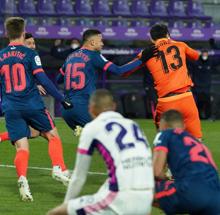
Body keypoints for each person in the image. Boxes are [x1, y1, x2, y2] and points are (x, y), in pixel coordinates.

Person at [47, 89, 154, 215]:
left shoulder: (92, 127)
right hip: (147, 197)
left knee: (57, 212)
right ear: (114, 107)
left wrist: (67, 206)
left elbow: (79, 177)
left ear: (91, 108)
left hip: (120, 196)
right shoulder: (133, 125)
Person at [0, 17, 73, 201]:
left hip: (10, 106)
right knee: (52, 136)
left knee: (21, 148)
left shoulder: (0, 55)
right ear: (23, 32)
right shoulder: (31, 54)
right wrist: (61, 98)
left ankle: (23, 180)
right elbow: (43, 79)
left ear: (7, 33)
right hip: (32, 104)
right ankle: (58, 167)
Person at [57, 29, 157, 136]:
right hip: (82, 107)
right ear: (92, 42)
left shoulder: (70, 56)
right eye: (100, 40)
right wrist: (142, 59)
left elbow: (59, 79)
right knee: (110, 136)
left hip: (66, 110)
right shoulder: (94, 55)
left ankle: (84, 131)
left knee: (94, 139)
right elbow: (119, 71)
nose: (102, 43)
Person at [124, 24, 202, 140]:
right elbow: (196, 56)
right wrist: (171, 42)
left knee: (164, 140)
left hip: (166, 101)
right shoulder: (180, 45)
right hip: (187, 98)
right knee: (196, 140)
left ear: (151, 39)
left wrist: (143, 57)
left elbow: (125, 72)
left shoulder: (147, 53)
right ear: (167, 34)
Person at [153, 109, 220, 215]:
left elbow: (156, 172)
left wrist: (165, 179)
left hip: (191, 191)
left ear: (164, 125)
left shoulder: (166, 134)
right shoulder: (199, 144)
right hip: (216, 196)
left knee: (143, 192)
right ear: (183, 127)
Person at [189, 49, 219, 119]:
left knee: (208, 103)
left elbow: (218, 61)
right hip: (197, 88)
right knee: (197, 103)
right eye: (204, 53)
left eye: (206, 53)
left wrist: (214, 46)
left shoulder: (210, 62)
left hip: (207, 87)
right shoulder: (195, 62)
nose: (205, 55)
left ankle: (208, 116)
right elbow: (188, 61)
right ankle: (197, 116)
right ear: (201, 54)